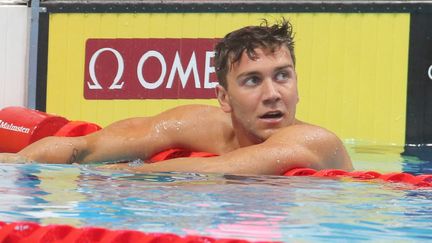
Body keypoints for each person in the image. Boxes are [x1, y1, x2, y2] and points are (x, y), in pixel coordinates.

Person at [0, 19, 353, 174]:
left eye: (282, 76)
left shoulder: (314, 142)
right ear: (224, 97)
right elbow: (90, 146)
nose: (273, 94)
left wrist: (122, 176)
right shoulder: (199, 123)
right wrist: (14, 166)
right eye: (251, 81)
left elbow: (219, 170)